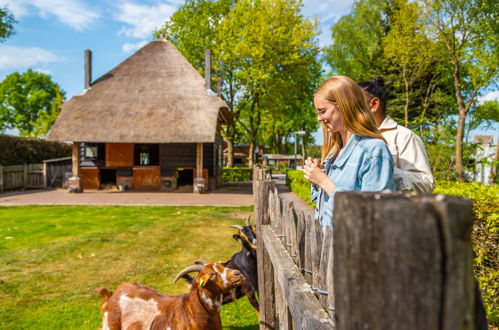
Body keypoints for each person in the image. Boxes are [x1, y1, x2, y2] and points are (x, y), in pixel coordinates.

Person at [303, 75, 395, 230]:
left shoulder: (373, 150)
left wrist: (324, 181)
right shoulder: (336, 149)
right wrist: (317, 177)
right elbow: (325, 205)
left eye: (323, 111)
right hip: (329, 246)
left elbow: (375, 212)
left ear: (344, 105)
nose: (319, 118)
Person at [358, 77, 435, 193]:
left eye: (354, 105)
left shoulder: (404, 136)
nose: (347, 110)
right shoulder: (352, 138)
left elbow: (426, 184)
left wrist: (384, 171)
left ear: (373, 104)